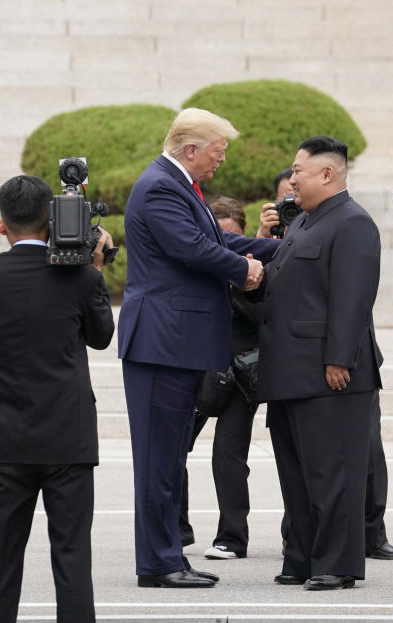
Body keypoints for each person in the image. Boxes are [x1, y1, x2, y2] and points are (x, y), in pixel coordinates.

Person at [118, 108, 279, 588]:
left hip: (175, 343)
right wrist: (246, 270)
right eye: (217, 151)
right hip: (161, 343)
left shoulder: (178, 184)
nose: (221, 160)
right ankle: (159, 563)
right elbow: (192, 248)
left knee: (168, 460)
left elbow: (219, 240)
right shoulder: (161, 186)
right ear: (191, 150)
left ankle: (168, 557)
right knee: (158, 460)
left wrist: (284, 248)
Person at [0, 175, 114, 623]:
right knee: (71, 555)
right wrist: (94, 266)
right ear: (51, 223)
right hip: (66, 435)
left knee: (0, 555)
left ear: (0, 225)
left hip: (4, 431)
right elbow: (101, 337)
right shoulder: (82, 277)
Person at [254, 136, 383, 590]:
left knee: (332, 475)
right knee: (298, 476)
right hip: (289, 371)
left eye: (298, 172)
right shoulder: (305, 222)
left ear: (327, 174)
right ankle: (302, 557)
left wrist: (338, 358)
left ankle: (336, 564)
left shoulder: (352, 222)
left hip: (330, 373)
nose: (291, 180)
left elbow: (352, 298)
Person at [177, 197, 264, 561]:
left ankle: (232, 537)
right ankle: (175, 529)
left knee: (228, 455)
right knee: (172, 448)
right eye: (217, 237)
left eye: (232, 238)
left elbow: (265, 317)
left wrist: (240, 281)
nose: (223, 246)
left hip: (240, 374)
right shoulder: (193, 261)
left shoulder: (255, 269)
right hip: (197, 370)